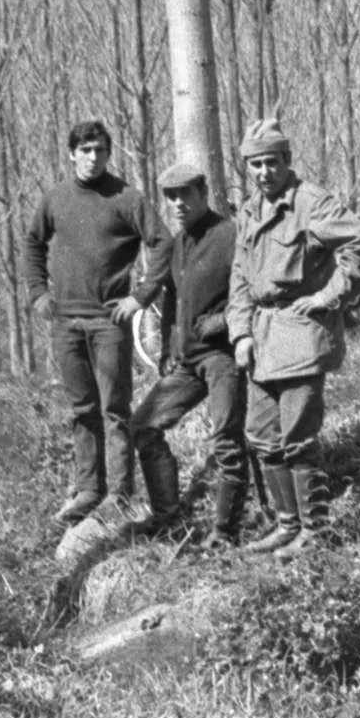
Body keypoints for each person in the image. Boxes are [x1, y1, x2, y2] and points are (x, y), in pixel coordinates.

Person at [226, 118, 360, 560]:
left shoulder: (311, 203)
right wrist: (240, 333)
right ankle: (286, 525)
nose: (264, 172)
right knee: (262, 436)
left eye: (272, 162)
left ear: (287, 161)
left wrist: (330, 297)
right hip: (262, 335)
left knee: (298, 436)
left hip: (302, 333)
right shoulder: (250, 211)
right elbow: (240, 277)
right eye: (255, 164)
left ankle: (316, 530)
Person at [22, 118, 172, 525]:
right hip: (66, 322)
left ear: (108, 153)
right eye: (85, 150)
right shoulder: (55, 199)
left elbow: (162, 242)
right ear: (72, 154)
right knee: (82, 408)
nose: (93, 157)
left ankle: (120, 494)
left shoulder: (126, 198)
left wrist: (141, 296)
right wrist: (38, 292)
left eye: (100, 150)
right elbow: (33, 244)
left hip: (108, 321)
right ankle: (89, 489)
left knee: (114, 409)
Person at [130, 161, 246, 545]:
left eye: (185, 195)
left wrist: (222, 322)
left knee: (227, 439)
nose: (178, 204)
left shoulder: (230, 235)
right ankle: (168, 516)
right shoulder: (177, 245)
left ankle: (226, 532)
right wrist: (167, 349)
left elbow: (253, 293)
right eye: (171, 197)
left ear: (203, 194)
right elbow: (170, 297)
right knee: (143, 426)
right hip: (188, 361)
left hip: (224, 357)